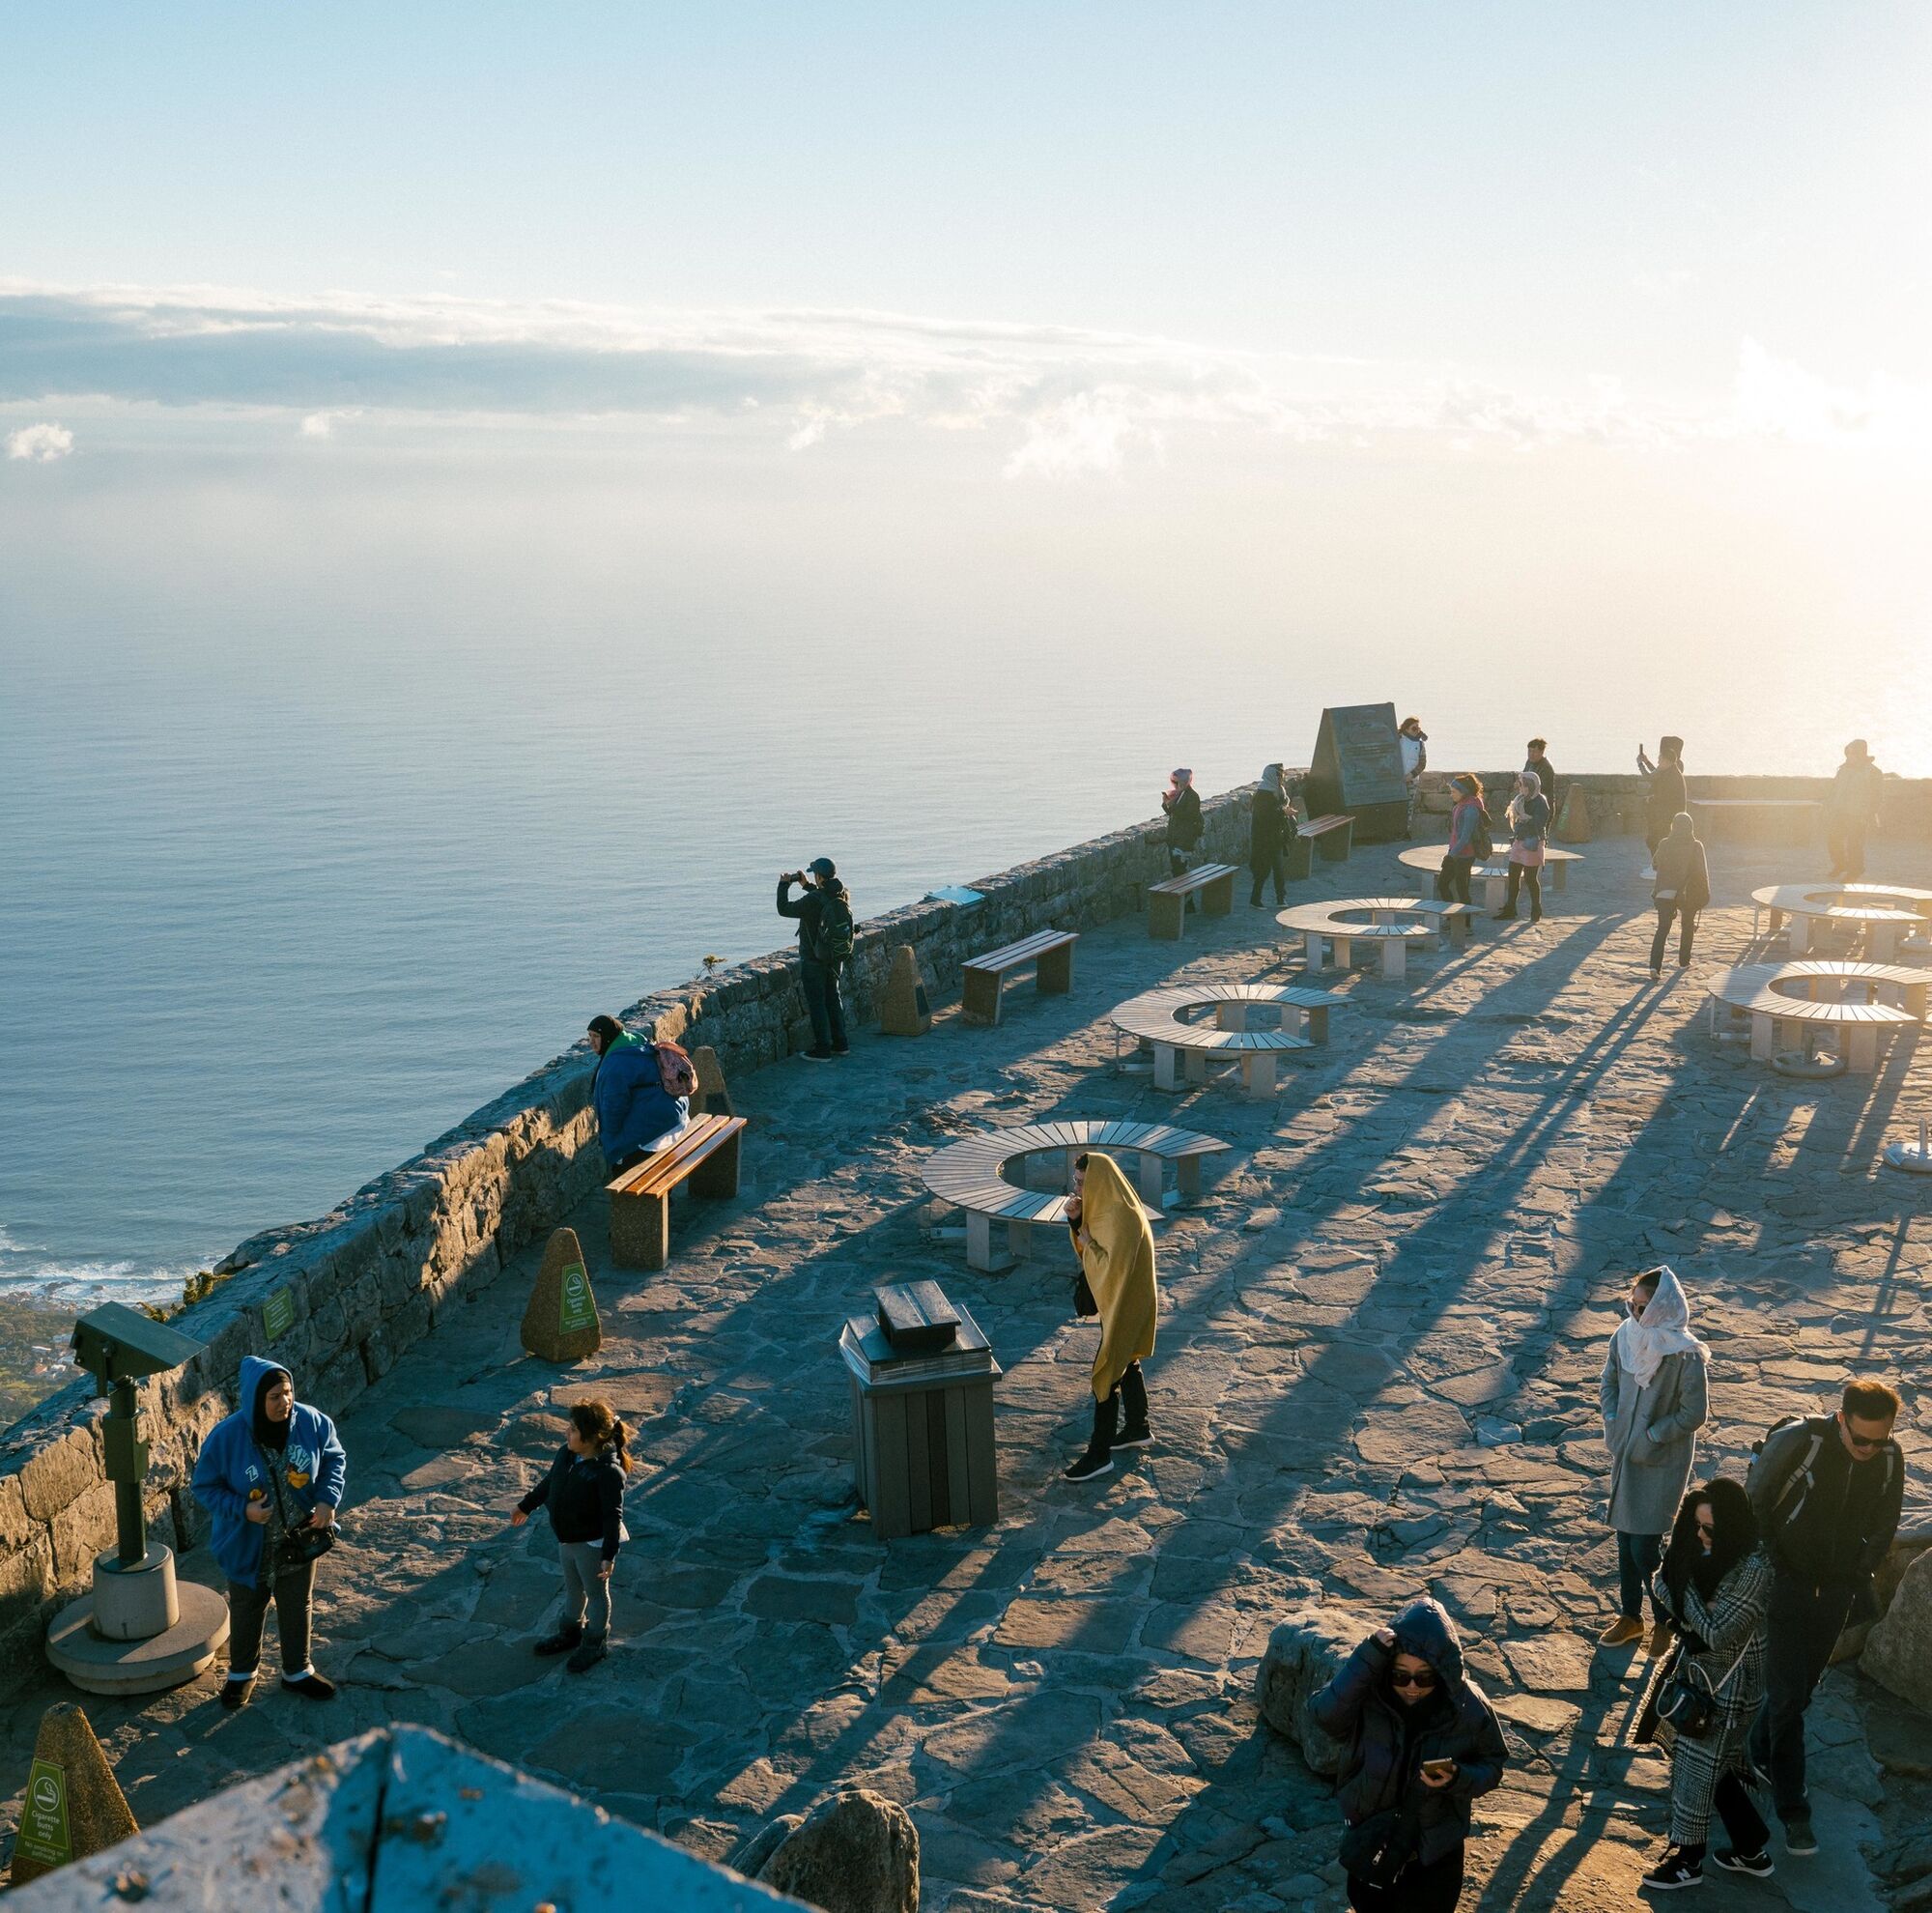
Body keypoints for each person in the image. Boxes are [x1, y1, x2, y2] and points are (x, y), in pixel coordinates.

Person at [1746, 1378, 1905, 1857]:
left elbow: (1887, 1520)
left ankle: (1759, 1750)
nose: (1869, 1449)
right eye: (1861, 1439)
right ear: (1841, 1420)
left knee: (1801, 1690)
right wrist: (1773, 1565)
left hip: (1836, 1591)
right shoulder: (1803, 1442)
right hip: (1786, 1584)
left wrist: (1861, 1572)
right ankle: (1794, 1811)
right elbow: (1755, 1501)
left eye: (1879, 1440)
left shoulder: (1889, 1457)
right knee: (1789, 1701)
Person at [1310, 1597, 1508, 1911]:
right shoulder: (1370, 1696)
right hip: (1372, 1840)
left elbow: (1493, 1765)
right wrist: (1366, 1657)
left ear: (1442, 1672)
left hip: (1435, 1854)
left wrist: (1457, 1777)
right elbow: (1324, 1716)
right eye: (1401, 1676)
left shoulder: (1468, 1708)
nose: (1412, 1687)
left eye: (1424, 1677)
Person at [1641, 1480, 1776, 1891]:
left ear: (1731, 1526)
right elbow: (1663, 1585)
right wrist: (1694, 1604)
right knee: (1714, 1768)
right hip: (1701, 1678)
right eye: (1695, 1525)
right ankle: (1751, 1848)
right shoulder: (1699, 1551)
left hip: (1731, 1690)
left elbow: (1717, 1633)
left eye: (1710, 1529)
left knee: (1696, 1769)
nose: (1700, 1535)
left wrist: (1680, 1590)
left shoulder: (1754, 1569)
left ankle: (1688, 1861)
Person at [192, 1354, 346, 1710]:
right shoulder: (227, 1437)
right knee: (248, 1606)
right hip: (249, 1544)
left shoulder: (311, 1422)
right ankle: (242, 1674)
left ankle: (297, 1671)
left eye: (288, 1393)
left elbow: (334, 1457)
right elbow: (204, 1487)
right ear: (255, 1400)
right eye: (274, 1397)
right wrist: (243, 1509)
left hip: (300, 1540)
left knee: (298, 1603)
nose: (284, 1402)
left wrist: (327, 1500)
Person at [1598, 1266, 1710, 1651]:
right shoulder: (1625, 1336)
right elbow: (1610, 1381)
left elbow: (1693, 1413)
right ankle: (1631, 1617)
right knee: (1625, 1539)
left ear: (1663, 1307)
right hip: (1626, 1454)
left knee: (1644, 1548)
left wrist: (1652, 1436)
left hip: (1660, 1461)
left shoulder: (1685, 1354)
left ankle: (1666, 1618)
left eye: (1643, 1307)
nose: (1635, 1312)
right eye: (1632, 1304)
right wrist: (1613, 1421)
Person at [512, 1398, 633, 1673]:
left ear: (592, 1438)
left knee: (596, 1593)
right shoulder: (566, 1455)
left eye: (574, 1429)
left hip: (591, 1544)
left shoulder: (608, 1473)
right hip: (566, 1538)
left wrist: (608, 1555)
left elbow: (612, 1516)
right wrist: (526, 1506)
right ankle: (571, 1633)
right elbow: (550, 1483)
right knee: (573, 1588)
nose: (567, 1432)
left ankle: (595, 1643)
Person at [1062, 1153, 1156, 1483]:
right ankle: (1137, 1427)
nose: (1078, 1189)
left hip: (1126, 1302)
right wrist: (1077, 1222)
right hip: (1123, 1300)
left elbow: (1110, 1270)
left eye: (1083, 1183)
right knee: (1126, 1359)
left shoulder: (1121, 1217)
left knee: (1105, 1372)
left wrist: (1088, 1242)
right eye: (1076, 1182)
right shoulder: (1109, 1206)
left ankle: (1099, 1455)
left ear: (1100, 1182)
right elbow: (1094, 1252)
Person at [777, 858, 855, 1061]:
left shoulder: (813, 900)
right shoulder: (842, 893)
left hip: (814, 959)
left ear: (819, 876)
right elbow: (822, 897)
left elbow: (784, 909)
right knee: (833, 999)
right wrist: (806, 885)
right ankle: (841, 1044)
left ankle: (822, 1049)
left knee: (817, 1003)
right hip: (835, 957)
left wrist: (784, 884)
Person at [587, 1014, 689, 1169]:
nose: (591, 1042)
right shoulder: (636, 1043)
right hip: (677, 1115)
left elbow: (613, 1108)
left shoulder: (615, 1065)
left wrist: (612, 1143)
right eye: (589, 1036)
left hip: (661, 1127)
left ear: (608, 1037)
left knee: (623, 1166)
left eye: (596, 1036)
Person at [1649, 813, 1711, 978]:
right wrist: (1705, 893)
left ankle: (1654, 967)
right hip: (1686, 893)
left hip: (1664, 892)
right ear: (1691, 827)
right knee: (1687, 925)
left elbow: (1655, 864)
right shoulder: (1696, 846)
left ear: (1673, 826)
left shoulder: (1664, 843)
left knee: (1662, 929)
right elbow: (1701, 873)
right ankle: (1684, 961)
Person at [1492, 771, 1549, 924]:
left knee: (1530, 878)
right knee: (1513, 876)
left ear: (1531, 786)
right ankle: (1510, 908)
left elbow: (1540, 822)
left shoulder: (1540, 802)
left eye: (1523, 785)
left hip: (1532, 842)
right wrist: (1520, 819)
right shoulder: (1520, 799)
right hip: (1519, 841)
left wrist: (1524, 818)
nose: (1520, 788)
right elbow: (1518, 819)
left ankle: (1536, 909)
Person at [1824, 740, 1883, 882]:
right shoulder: (1843, 769)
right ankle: (1841, 864)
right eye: (1848, 752)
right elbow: (1834, 789)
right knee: (1833, 840)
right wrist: (1829, 805)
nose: (1850, 755)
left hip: (1858, 814)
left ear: (1861, 753)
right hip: (1839, 812)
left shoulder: (1873, 772)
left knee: (1854, 844)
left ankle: (1855, 871)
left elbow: (1877, 796)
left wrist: (1868, 814)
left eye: (1853, 753)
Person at [1435, 776, 1489, 906]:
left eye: (1454, 792)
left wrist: (1450, 856)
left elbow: (1465, 838)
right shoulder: (1460, 804)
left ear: (1463, 792)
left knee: (1462, 890)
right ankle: (1451, 913)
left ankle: (1465, 917)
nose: (1451, 795)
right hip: (1455, 852)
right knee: (1442, 884)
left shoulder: (1470, 809)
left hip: (1465, 855)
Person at [1637, 736, 1688, 868]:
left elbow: (1654, 780)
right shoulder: (1672, 768)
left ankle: (1659, 867)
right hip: (1664, 813)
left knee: (1656, 839)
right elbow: (1657, 773)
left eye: (1660, 757)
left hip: (1666, 814)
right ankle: (1659, 865)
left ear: (1666, 759)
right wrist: (1646, 762)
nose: (1658, 760)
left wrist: (1641, 764)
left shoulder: (1672, 772)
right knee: (1655, 839)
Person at [1249, 764, 1294, 907]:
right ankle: (1255, 899)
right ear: (1272, 776)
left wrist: (1285, 810)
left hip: (1276, 836)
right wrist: (1283, 812)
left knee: (1279, 869)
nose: (1281, 778)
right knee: (1263, 870)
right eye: (1279, 775)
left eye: (1281, 775)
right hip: (1264, 838)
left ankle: (1281, 898)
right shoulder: (1263, 794)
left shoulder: (1279, 790)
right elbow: (1264, 817)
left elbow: (1281, 806)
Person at [1162, 768, 1204, 891]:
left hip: (1184, 839)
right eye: (1173, 782)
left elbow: (1188, 816)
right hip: (1174, 837)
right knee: (1177, 870)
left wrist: (1171, 805)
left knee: (1180, 870)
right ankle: (1185, 899)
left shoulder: (1192, 796)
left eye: (1176, 782)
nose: (1174, 785)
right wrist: (1166, 803)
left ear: (1184, 782)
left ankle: (1186, 898)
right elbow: (1172, 813)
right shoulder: (1179, 794)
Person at [1399, 718, 1429, 838]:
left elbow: (1422, 763)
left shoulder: (1420, 744)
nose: (1417, 730)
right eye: (1414, 728)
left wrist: (1411, 775)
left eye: (1418, 728)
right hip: (1397, 780)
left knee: (1409, 807)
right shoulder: (1398, 739)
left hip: (1411, 780)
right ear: (1406, 728)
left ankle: (1406, 831)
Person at [1524, 738, 1559, 829]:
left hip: (1543, 807)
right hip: (1530, 806)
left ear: (1541, 752)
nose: (1531, 754)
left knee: (1540, 835)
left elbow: (1542, 787)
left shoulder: (1546, 767)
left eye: (1534, 751)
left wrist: (1525, 785)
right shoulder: (1529, 762)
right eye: (1529, 751)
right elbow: (1524, 776)